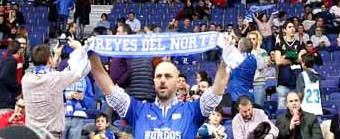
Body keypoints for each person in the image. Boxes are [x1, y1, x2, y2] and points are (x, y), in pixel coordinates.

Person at [88, 44, 230, 139]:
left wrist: (225, 59)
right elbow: (109, 89)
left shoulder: (192, 110)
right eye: (158, 76)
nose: (162, 80)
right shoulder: (137, 109)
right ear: (153, 81)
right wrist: (92, 56)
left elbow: (217, 90)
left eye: (168, 76)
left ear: (177, 81)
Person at [22, 41, 90, 139]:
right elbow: (79, 72)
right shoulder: (55, 79)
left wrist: (56, 56)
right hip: (51, 135)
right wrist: (80, 49)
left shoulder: (26, 79)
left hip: (31, 134)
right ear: (49, 60)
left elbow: (45, 71)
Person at [0, 41, 23, 116]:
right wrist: (18, 86)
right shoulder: (11, 61)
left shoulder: (3, 61)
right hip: (5, 103)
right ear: (18, 51)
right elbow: (4, 77)